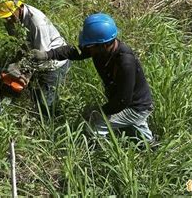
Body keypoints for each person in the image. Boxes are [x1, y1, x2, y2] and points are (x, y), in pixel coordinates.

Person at [31, 13, 155, 143]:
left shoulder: (125, 62)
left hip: (134, 107)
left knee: (94, 125)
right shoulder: (99, 49)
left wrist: (100, 112)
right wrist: (47, 55)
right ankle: (149, 142)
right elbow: (73, 52)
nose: (86, 48)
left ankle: (99, 151)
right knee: (137, 129)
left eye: (90, 46)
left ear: (104, 45)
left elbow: (123, 100)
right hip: (125, 102)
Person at [0, 0, 70, 115]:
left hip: (53, 61)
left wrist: (23, 70)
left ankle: (52, 122)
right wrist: (18, 66)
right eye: (4, 17)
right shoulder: (12, 18)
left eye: (9, 16)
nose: (6, 20)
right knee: (9, 81)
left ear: (19, 7)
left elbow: (41, 56)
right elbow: (18, 43)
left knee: (44, 103)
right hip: (32, 56)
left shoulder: (37, 23)